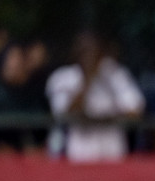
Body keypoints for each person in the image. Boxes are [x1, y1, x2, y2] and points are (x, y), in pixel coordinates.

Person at [45, 31, 144, 163]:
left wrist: (104, 118)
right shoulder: (62, 77)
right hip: (78, 154)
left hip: (112, 152)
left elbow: (135, 111)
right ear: (75, 53)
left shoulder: (115, 73)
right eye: (85, 51)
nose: (90, 56)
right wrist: (88, 79)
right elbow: (64, 114)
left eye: (94, 51)